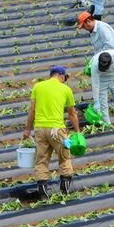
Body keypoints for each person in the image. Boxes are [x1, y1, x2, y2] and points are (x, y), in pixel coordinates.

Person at [23, 66, 81, 200]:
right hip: (57, 130)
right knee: (64, 157)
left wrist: (27, 129)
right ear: (61, 76)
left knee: (41, 160)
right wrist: (78, 132)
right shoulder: (66, 89)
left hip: (40, 129)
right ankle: (65, 191)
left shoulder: (38, 87)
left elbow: (32, 110)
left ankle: (43, 193)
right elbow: (72, 113)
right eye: (64, 78)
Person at [91, 50, 114, 127]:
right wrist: (96, 101)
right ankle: (107, 124)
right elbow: (95, 83)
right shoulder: (94, 64)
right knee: (102, 104)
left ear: (110, 63)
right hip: (102, 81)